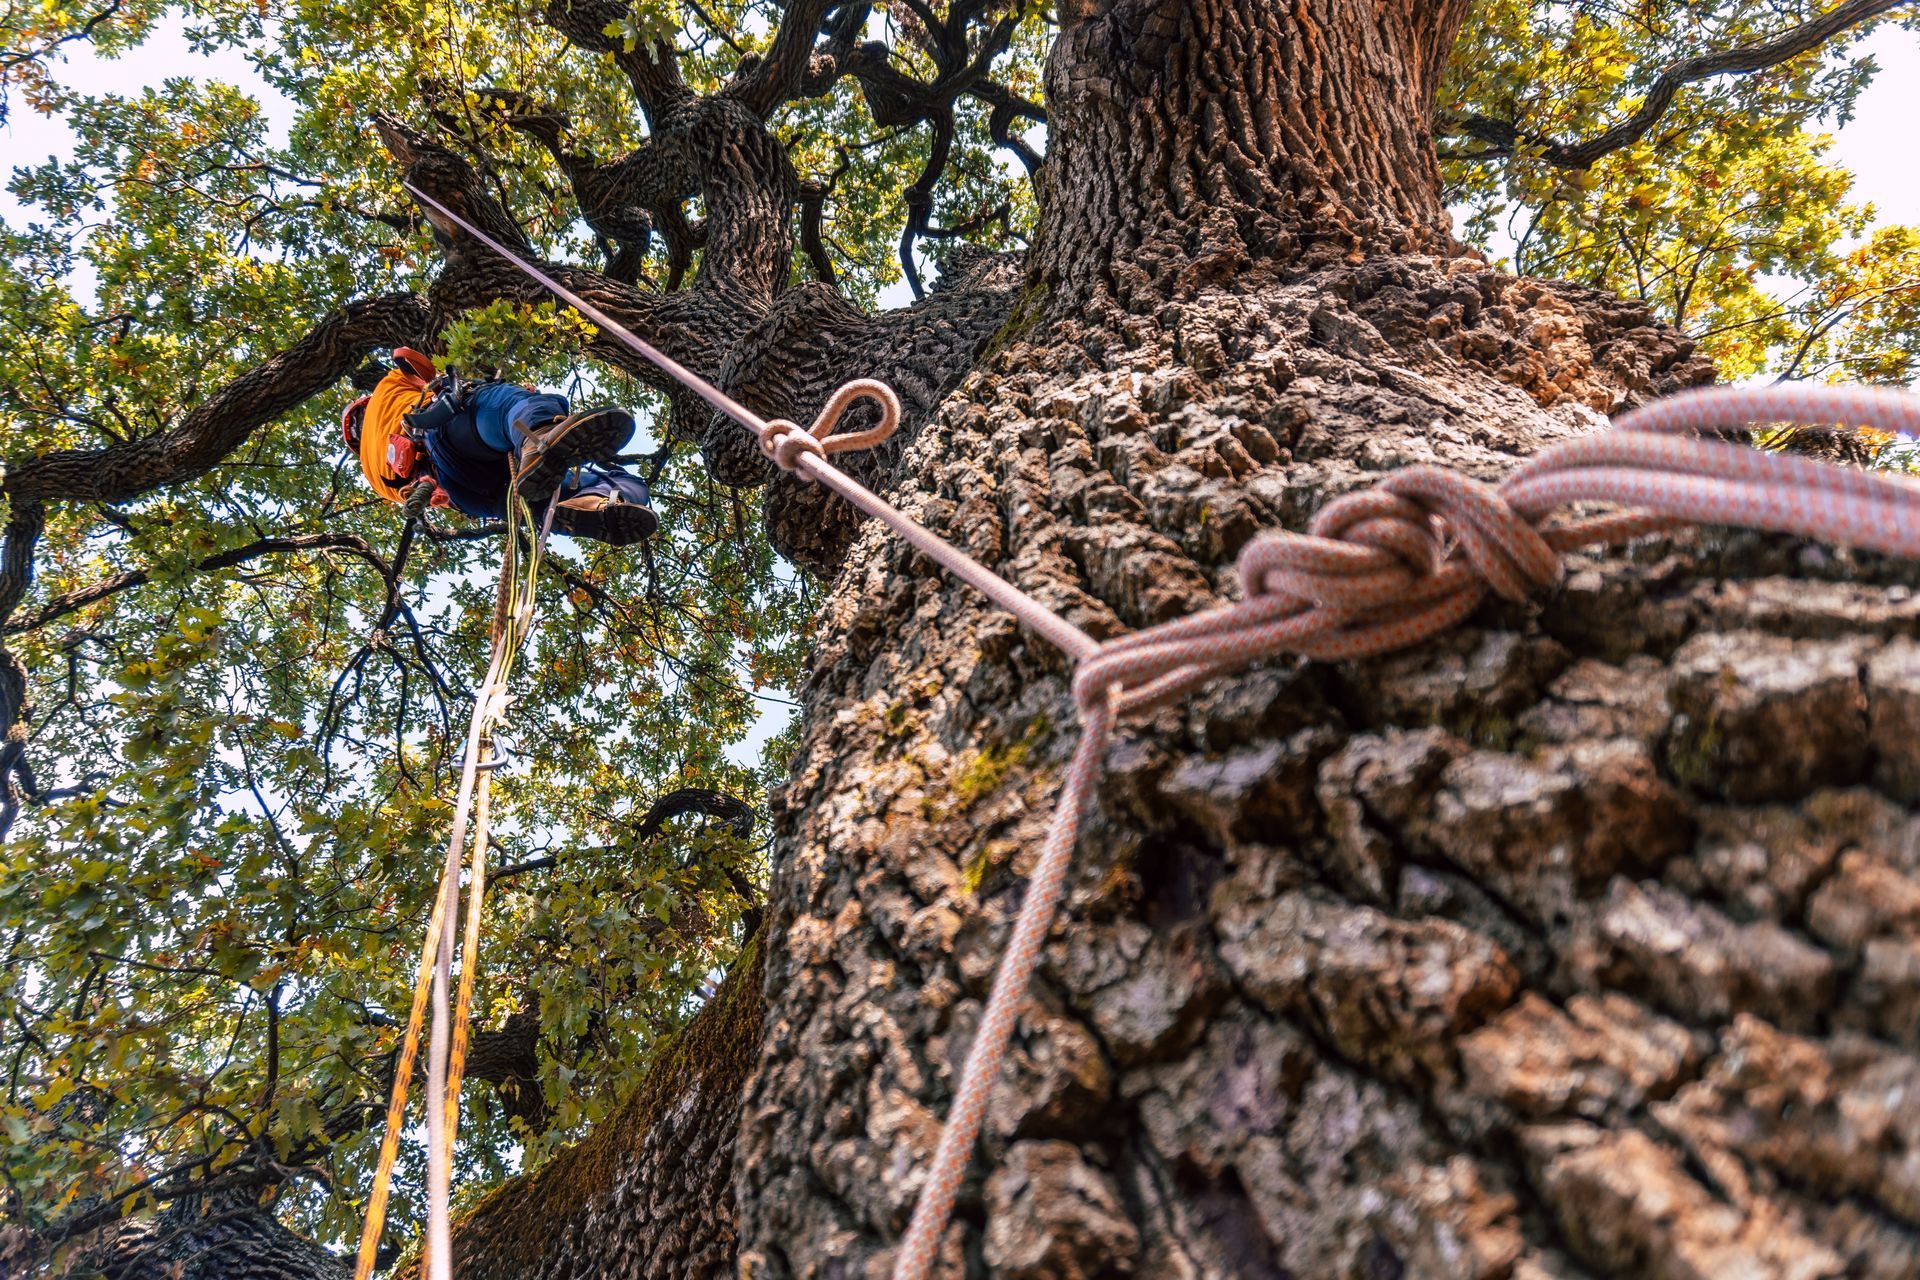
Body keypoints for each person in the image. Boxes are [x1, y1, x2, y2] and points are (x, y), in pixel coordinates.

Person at [342, 347, 659, 545]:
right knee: (507, 405)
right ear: (363, 405)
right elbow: (412, 359)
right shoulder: (386, 387)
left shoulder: (375, 478)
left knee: (537, 502)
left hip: (471, 492)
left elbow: (433, 495)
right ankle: (541, 439)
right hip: (445, 431)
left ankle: (586, 510)